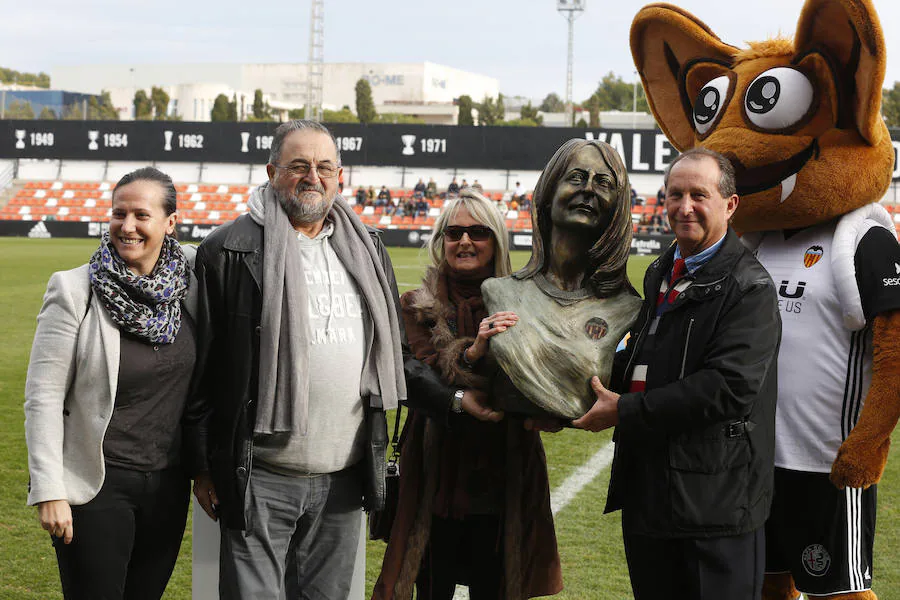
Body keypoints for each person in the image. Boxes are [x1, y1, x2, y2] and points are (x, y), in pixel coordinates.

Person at [187, 120, 407, 599]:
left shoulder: (369, 248)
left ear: (340, 176)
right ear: (271, 172)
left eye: (324, 166)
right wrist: (203, 465)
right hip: (261, 475)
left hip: (344, 478)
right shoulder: (228, 249)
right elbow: (202, 368)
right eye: (299, 165)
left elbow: (396, 351)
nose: (313, 176)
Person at [573, 148, 781, 600]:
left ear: (730, 205)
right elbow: (642, 358)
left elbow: (728, 389)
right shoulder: (661, 270)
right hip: (652, 491)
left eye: (698, 195)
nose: (684, 207)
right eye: (675, 195)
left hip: (716, 503)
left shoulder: (751, 288)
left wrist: (624, 410)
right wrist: (569, 388)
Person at [372, 190, 562, 600]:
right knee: (429, 586)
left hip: (505, 473)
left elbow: (538, 378)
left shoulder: (526, 305)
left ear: (496, 241)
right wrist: (473, 354)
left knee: (496, 585)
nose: (465, 241)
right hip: (433, 474)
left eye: (478, 232)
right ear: (441, 240)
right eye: (454, 232)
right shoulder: (414, 306)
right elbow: (417, 373)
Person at [24, 166, 199, 599]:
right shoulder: (73, 289)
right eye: (119, 214)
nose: (127, 226)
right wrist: (50, 490)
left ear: (170, 223)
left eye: (142, 215)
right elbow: (43, 395)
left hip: (168, 488)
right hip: (96, 485)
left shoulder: (193, 281)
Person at [481, 139, 642, 419]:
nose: (589, 189)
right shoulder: (500, 293)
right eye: (576, 177)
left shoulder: (631, 309)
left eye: (603, 182)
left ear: (617, 207)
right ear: (548, 191)